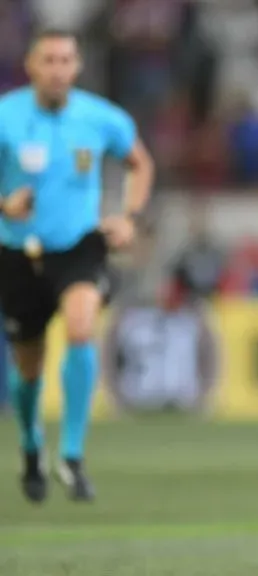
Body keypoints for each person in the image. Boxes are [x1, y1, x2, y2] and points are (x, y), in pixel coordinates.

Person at [0, 29, 154, 503]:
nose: (57, 68)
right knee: (28, 367)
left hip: (78, 247)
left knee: (82, 326)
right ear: (30, 66)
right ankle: (30, 444)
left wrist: (128, 218)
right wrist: (5, 204)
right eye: (48, 59)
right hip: (17, 253)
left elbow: (140, 164)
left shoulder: (101, 118)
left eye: (66, 59)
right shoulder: (6, 115)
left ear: (77, 65)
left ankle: (71, 454)